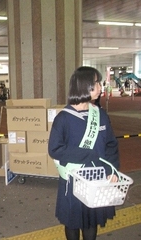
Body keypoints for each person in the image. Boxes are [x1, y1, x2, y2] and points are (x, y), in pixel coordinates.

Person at [48, 66, 120, 240]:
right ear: (85, 85)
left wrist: (112, 170)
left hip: (97, 179)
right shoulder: (63, 118)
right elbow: (55, 149)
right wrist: (87, 155)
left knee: (91, 221)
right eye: (97, 83)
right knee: (72, 222)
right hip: (74, 181)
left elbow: (111, 144)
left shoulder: (100, 115)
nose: (101, 88)